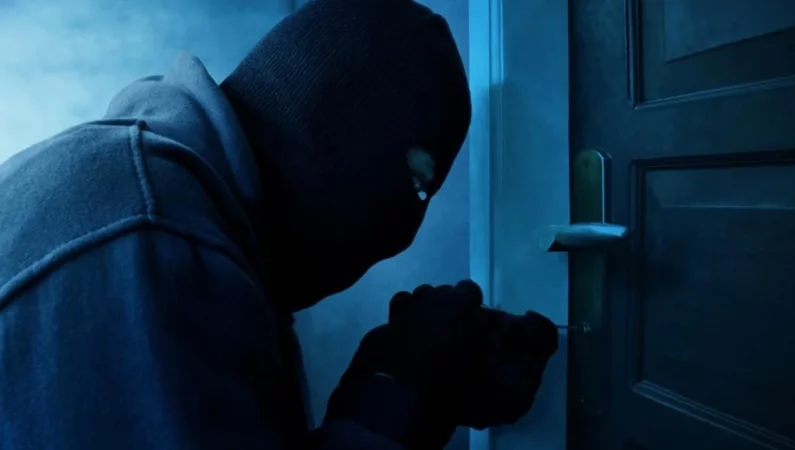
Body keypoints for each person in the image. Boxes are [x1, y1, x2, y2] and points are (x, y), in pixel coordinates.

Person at [0, 0, 558, 448]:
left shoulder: (166, 204)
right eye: (417, 183)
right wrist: (398, 392)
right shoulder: (155, 240)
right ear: (339, 127)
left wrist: (414, 396)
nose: (403, 228)